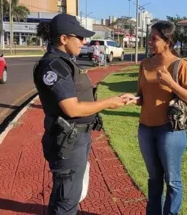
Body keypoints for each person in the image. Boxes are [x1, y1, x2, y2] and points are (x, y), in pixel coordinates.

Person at [33, 13, 131, 215]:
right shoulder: (53, 66)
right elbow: (72, 108)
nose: (83, 42)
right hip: (68, 140)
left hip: (77, 137)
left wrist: (114, 99)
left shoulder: (65, 61)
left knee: (69, 195)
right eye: (79, 37)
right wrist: (108, 103)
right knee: (66, 201)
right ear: (63, 38)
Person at [126, 21, 187, 215]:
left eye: (154, 38)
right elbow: (143, 97)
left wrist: (171, 83)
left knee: (172, 180)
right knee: (154, 178)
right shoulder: (145, 64)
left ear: (167, 41)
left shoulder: (180, 65)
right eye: (149, 37)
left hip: (169, 130)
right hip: (145, 129)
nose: (149, 41)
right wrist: (132, 99)